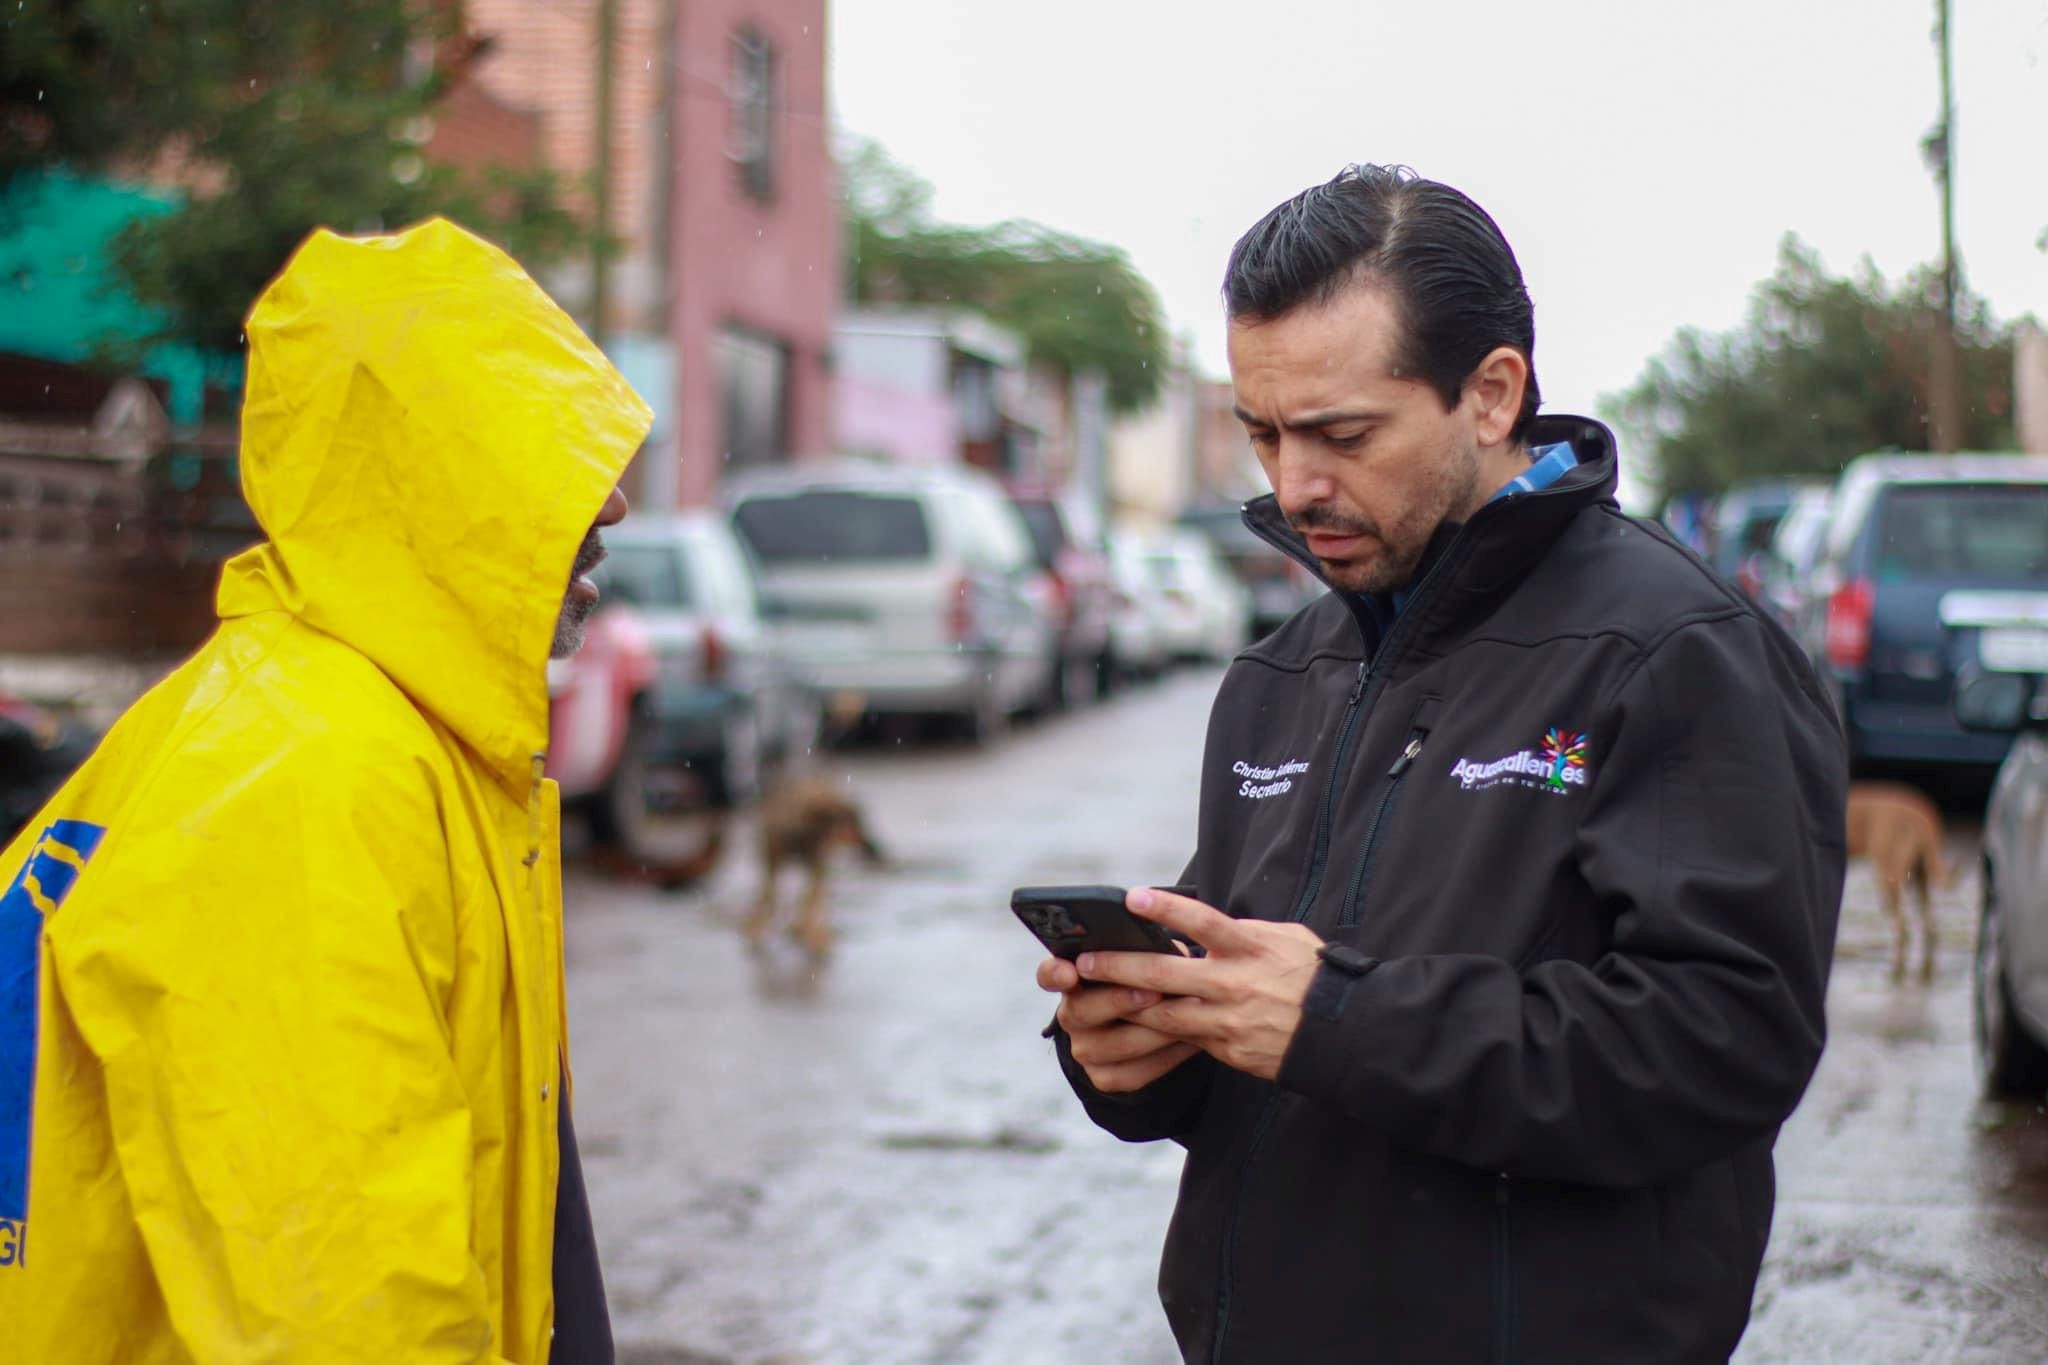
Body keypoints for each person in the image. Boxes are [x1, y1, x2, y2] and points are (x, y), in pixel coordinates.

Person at [1038, 166, 1848, 1363]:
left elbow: (1721, 1044)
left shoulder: (1673, 652)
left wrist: (1338, 1018)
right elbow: (1255, 1007)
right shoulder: (1278, 673)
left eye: (1341, 434)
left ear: (1490, 393)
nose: (1293, 484)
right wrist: (1133, 1055)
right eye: (1261, 434)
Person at [0, 218, 651, 1362]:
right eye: (557, 474)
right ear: (436, 486)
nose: (612, 514)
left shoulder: (392, 737)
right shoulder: (299, 779)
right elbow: (342, 1315)